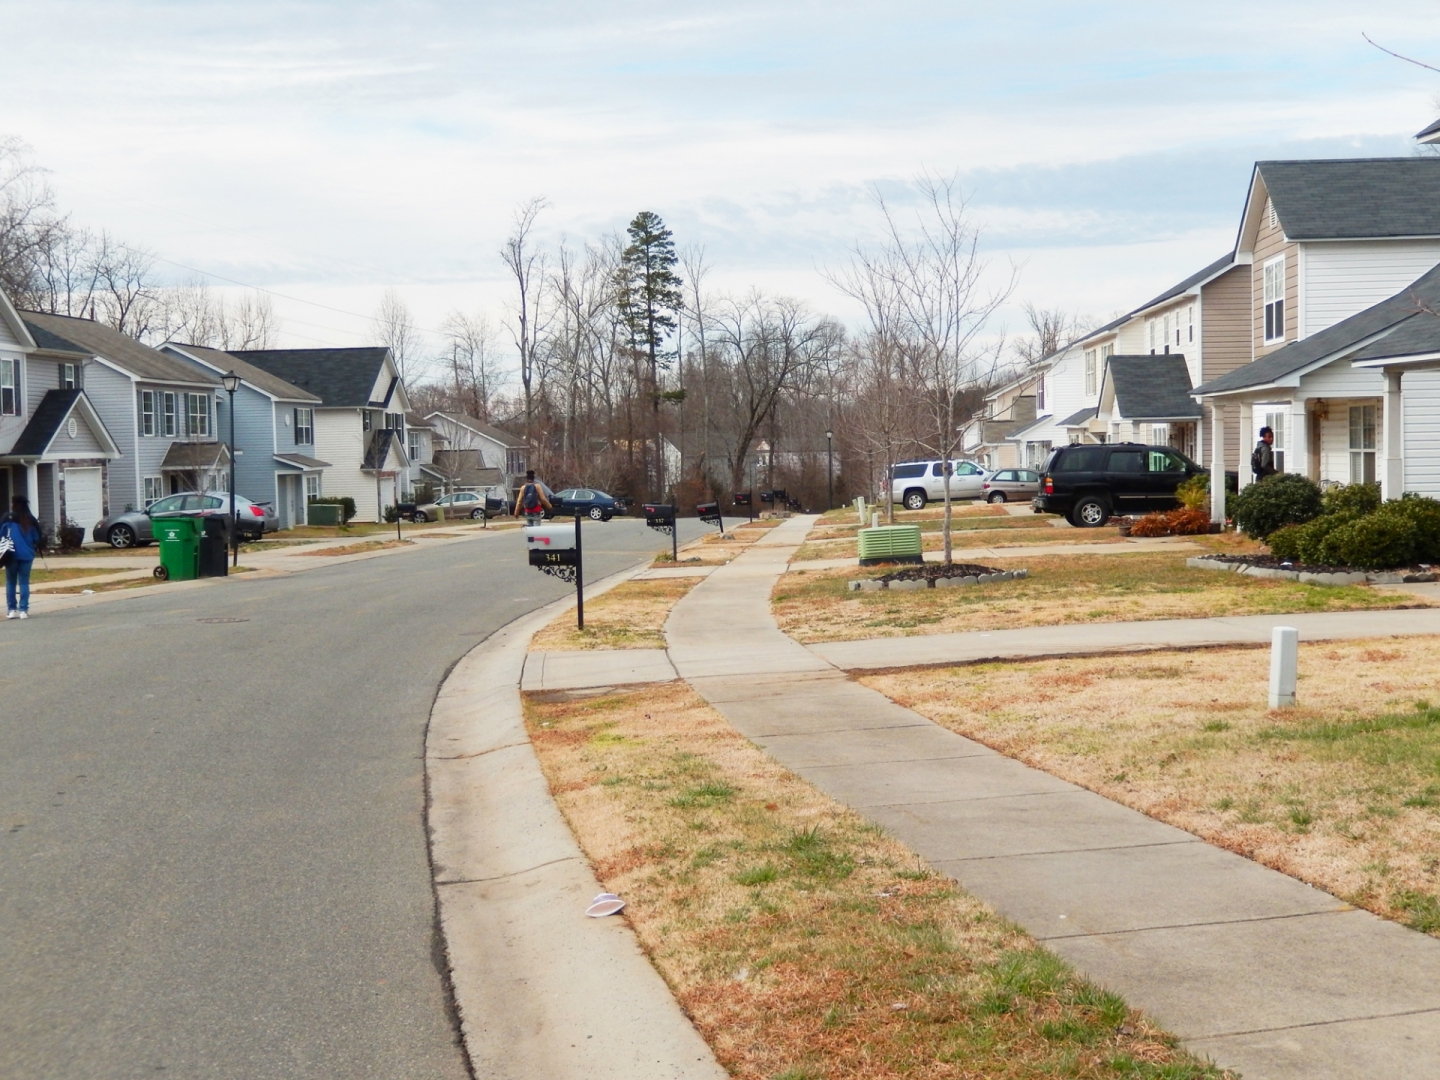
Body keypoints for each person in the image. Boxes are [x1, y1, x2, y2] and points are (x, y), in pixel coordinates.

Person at [1, 496, 44, 620]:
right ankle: (23, 610)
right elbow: (37, 538)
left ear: (14, 504)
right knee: (24, 582)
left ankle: (12, 610)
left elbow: (1, 534)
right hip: (27, 554)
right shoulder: (30, 519)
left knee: (10, 582)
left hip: (10, 554)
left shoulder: (7, 518)